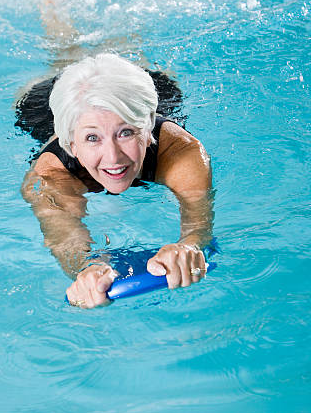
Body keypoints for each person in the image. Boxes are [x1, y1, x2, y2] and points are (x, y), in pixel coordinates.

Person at [18, 52, 213, 308]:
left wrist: (189, 247)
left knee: (132, 48)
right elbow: (66, 239)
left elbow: (198, 229)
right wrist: (88, 269)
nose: (113, 157)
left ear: (147, 128)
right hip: (43, 103)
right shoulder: (51, 175)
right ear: (71, 144)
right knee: (62, 54)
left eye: (126, 133)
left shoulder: (182, 153)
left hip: (145, 91)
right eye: (92, 138)